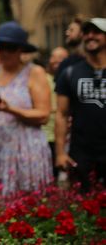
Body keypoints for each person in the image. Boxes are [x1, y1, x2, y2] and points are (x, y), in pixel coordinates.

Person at [0, 21, 52, 199]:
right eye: (0, 47)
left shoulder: (34, 72)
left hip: (26, 150)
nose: (5, 52)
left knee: (25, 205)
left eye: (11, 48)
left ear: (21, 50)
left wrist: (11, 109)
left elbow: (43, 115)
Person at [55, 18, 106, 192]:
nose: (91, 36)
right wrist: (61, 153)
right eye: (87, 32)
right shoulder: (70, 73)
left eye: (96, 32)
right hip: (82, 153)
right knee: (84, 212)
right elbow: (61, 115)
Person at [43, 46, 69, 179]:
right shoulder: (42, 77)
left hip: (63, 136)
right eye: (54, 57)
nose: (56, 61)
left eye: (61, 58)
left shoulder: (70, 78)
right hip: (44, 135)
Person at [55, 16, 84, 82]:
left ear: (82, 33)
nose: (67, 33)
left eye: (71, 30)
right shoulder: (66, 63)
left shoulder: (93, 62)